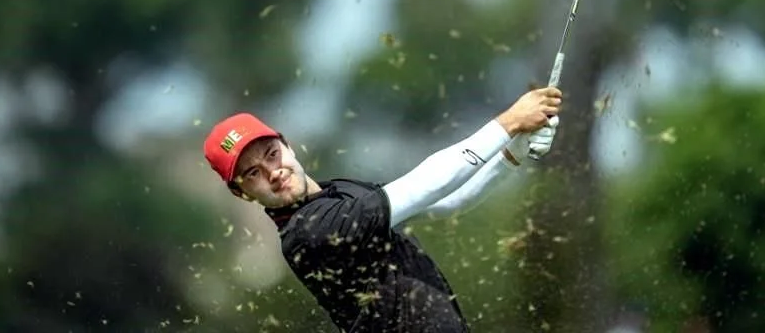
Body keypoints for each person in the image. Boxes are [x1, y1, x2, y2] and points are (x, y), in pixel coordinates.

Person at [203, 86, 563, 332]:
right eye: (253, 173)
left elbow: (442, 202)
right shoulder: (310, 231)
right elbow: (425, 183)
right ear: (242, 193)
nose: (273, 171)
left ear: (287, 144)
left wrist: (511, 156)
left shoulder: (338, 193)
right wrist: (510, 122)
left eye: (271, 154)